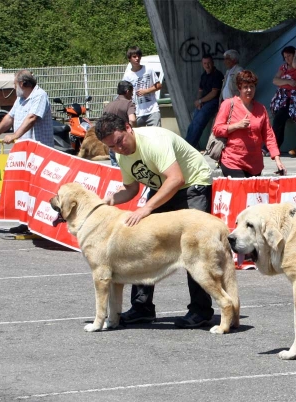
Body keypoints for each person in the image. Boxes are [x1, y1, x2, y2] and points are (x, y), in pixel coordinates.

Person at [94, 113, 215, 328]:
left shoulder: (153, 141)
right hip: (163, 188)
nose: (118, 149)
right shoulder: (122, 155)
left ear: (128, 127)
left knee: (192, 248)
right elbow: (131, 189)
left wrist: (147, 208)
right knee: (141, 242)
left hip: (193, 184)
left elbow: (177, 179)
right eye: (112, 147)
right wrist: (108, 201)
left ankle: (201, 310)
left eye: (120, 141)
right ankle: (142, 308)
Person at [0, 70, 54, 234]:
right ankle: (25, 222)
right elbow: (9, 118)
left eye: (15, 84)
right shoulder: (21, 99)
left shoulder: (39, 95)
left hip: (39, 151)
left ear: (22, 84)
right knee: (25, 189)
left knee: (38, 188)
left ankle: (39, 225)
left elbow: (32, 118)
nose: (14, 88)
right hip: (24, 153)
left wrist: (15, 135)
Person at [213, 70, 286, 178]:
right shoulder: (228, 104)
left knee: (253, 195)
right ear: (239, 88)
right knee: (240, 193)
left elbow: (269, 135)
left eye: (252, 86)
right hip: (233, 161)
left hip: (254, 165)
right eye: (245, 87)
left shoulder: (261, 108)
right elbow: (217, 129)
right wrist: (236, 125)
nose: (249, 90)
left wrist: (277, 159)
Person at [269, 46, 296, 150]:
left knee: (279, 119)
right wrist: (288, 82)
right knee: (279, 119)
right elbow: (275, 80)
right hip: (281, 98)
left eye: (289, 56)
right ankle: (274, 146)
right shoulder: (284, 67)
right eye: (285, 57)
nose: (287, 59)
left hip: (293, 98)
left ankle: (271, 146)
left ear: (295, 55)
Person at [186, 54, 224, 149]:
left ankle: (190, 147)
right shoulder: (204, 75)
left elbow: (214, 93)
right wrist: (199, 102)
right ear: (202, 64)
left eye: (209, 63)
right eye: (205, 63)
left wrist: (200, 100)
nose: (207, 65)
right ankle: (186, 144)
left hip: (214, 102)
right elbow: (200, 91)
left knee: (198, 122)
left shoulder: (217, 74)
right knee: (193, 123)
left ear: (213, 63)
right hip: (204, 102)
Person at [122, 46, 162, 127]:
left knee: (156, 134)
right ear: (129, 58)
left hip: (152, 110)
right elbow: (124, 94)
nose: (137, 58)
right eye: (134, 57)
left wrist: (146, 91)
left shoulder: (148, 69)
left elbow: (159, 85)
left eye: (138, 56)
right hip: (137, 112)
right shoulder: (127, 76)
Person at [103, 80, 137, 166]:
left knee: (115, 168)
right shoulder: (128, 103)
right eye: (132, 93)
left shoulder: (108, 106)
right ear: (128, 91)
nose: (132, 95)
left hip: (111, 143)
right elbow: (132, 120)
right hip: (123, 142)